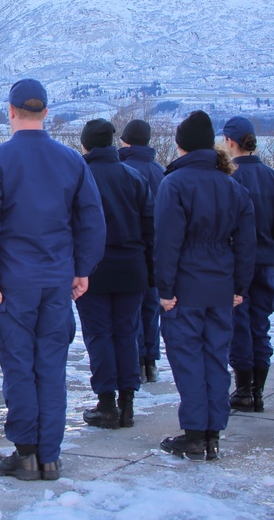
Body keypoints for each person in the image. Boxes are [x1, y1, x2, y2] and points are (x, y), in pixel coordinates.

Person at [0, 79, 105, 482]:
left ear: (10, 111)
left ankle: (26, 452)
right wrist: (82, 269)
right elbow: (92, 222)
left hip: (13, 282)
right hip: (56, 281)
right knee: (51, 367)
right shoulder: (71, 161)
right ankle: (49, 455)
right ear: (46, 113)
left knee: (18, 366)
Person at [155, 110, 255, 461]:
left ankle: (195, 433)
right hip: (221, 284)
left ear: (180, 145)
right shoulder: (232, 185)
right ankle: (213, 431)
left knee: (187, 357)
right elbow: (246, 243)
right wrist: (239, 284)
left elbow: (167, 242)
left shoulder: (175, 184)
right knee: (215, 357)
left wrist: (164, 289)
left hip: (185, 285)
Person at [77, 119, 154, 430]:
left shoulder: (81, 176)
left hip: (93, 268)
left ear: (86, 144)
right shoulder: (133, 176)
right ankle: (127, 403)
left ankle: (106, 403)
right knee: (127, 333)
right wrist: (150, 271)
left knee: (99, 335)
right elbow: (150, 227)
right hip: (132, 267)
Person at [221, 116, 274, 412]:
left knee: (239, 325)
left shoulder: (230, 179)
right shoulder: (272, 177)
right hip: (265, 261)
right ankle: (258, 391)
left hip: (238, 264)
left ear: (230, 142)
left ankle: (243, 388)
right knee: (260, 326)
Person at [118, 119, 165, 383]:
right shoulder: (159, 171)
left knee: (133, 307)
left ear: (125, 141)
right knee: (152, 306)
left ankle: (137, 357)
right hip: (157, 249)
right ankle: (151, 362)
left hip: (132, 247)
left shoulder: (125, 169)